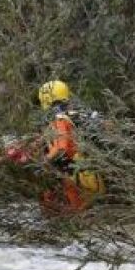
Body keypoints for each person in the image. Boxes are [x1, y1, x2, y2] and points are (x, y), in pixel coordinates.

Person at [37, 80, 105, 214]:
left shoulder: (61, 119)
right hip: (94, 173)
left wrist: (43, 162)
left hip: (78, 177)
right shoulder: (83, 115)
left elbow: (62, 149)